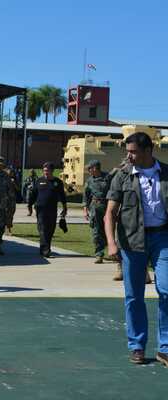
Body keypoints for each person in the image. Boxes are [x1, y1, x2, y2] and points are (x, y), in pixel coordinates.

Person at [104, 131, 168, 367]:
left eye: (133, 152)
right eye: (127, 151)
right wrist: (111, 242)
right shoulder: (122, 176)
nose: (128, 156)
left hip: (163, 238)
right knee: (134, 296)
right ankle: (137, 346)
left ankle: (165, 348)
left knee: (167, 289)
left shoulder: (166, 173)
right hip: (132, 241)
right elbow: (109, 213)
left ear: (148, 151)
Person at [28, 162, 67, 258]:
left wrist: (65, 207)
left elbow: (62, 196)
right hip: (40, 209)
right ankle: (46, 250)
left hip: (52, 209)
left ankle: (44, 249)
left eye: (48, 171)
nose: (46, 172)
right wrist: (29, 205)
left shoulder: (57, 182)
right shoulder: (38, 181)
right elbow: (33, 194)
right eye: (44, 170)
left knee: (50, 230)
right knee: (42, 229)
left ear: (52, 171)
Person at [6, 168, 19, 235]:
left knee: (11, 213)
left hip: (12, 199)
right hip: (4, 200)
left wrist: (13, 183)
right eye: (9, 172)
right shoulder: (4, 180)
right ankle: (4, 228)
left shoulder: (14, 180)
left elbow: (18, 189)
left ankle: (8, 228)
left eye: (12, 173)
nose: (11, 174)